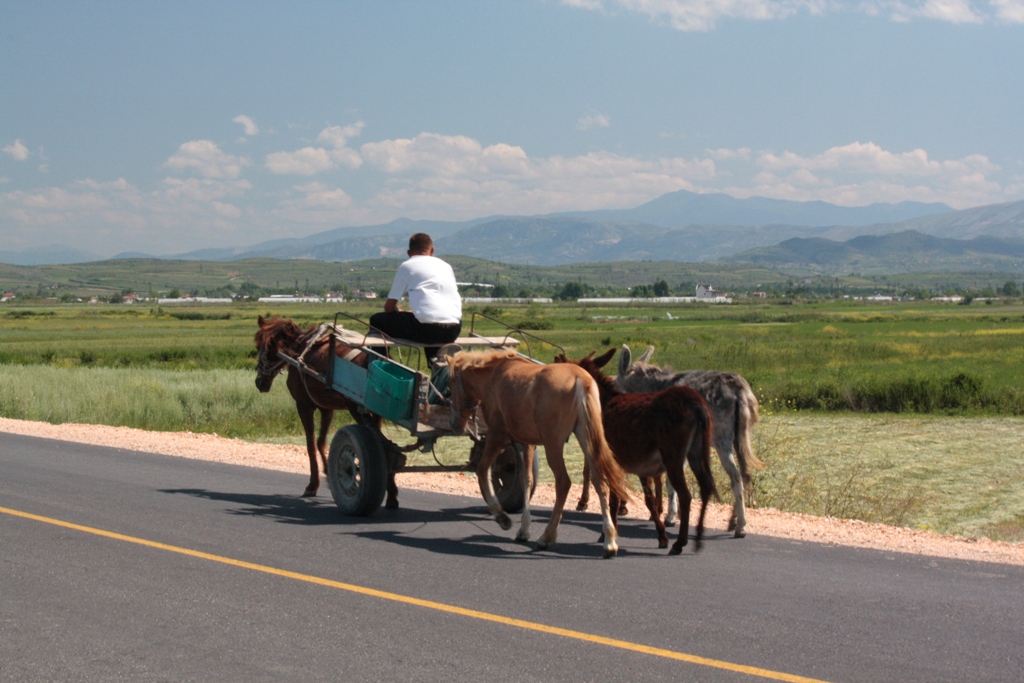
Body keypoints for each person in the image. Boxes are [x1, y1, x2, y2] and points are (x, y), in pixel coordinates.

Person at [369, 232, 462, 362]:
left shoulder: (407, 266)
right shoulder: (446, 266)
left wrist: (399, 311)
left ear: (409, 253)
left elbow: (389, 307)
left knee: (376, 320)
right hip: (454, 329)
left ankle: (382, 364)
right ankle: (435, 364)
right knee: (427, 322)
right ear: (432, 250)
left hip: (427, 330)